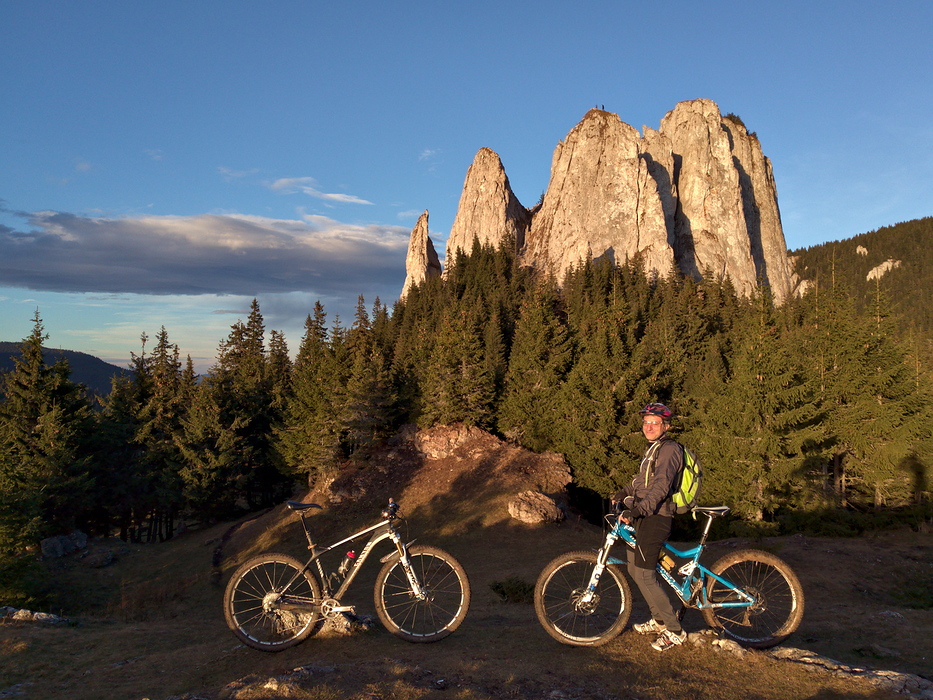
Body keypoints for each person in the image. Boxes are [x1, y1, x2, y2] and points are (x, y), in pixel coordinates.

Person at [613, 402, 687, 652]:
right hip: (644, 515)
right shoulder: (652, 450)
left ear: (666, 426)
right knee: (635, 570)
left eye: (655, 423)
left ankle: (675, 630)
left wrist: (638, 510)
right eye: (646, 422)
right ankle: (658, 620)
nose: (649, 426)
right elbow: (642, 483)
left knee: (645, 573)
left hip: (657, 517)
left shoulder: (669, 450)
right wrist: (624, 492)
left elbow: (661, 487)